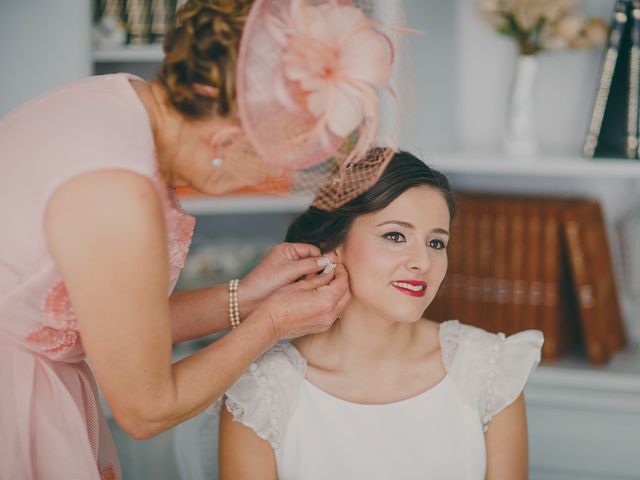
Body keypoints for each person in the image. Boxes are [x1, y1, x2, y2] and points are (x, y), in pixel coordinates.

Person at [0, 0, 397, 478]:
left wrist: (248, 296)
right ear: (225, 142)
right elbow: (147, 409)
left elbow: (114, 325)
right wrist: (270, 324)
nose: (278, 176)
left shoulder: (120, 101)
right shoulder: (116, 193)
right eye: (276, 161)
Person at [218, 149, 544, 480]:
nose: (423, 262)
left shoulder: (489, 368)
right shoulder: (261, 391)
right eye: (395, 236)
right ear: (335, 246)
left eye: (436, 243)